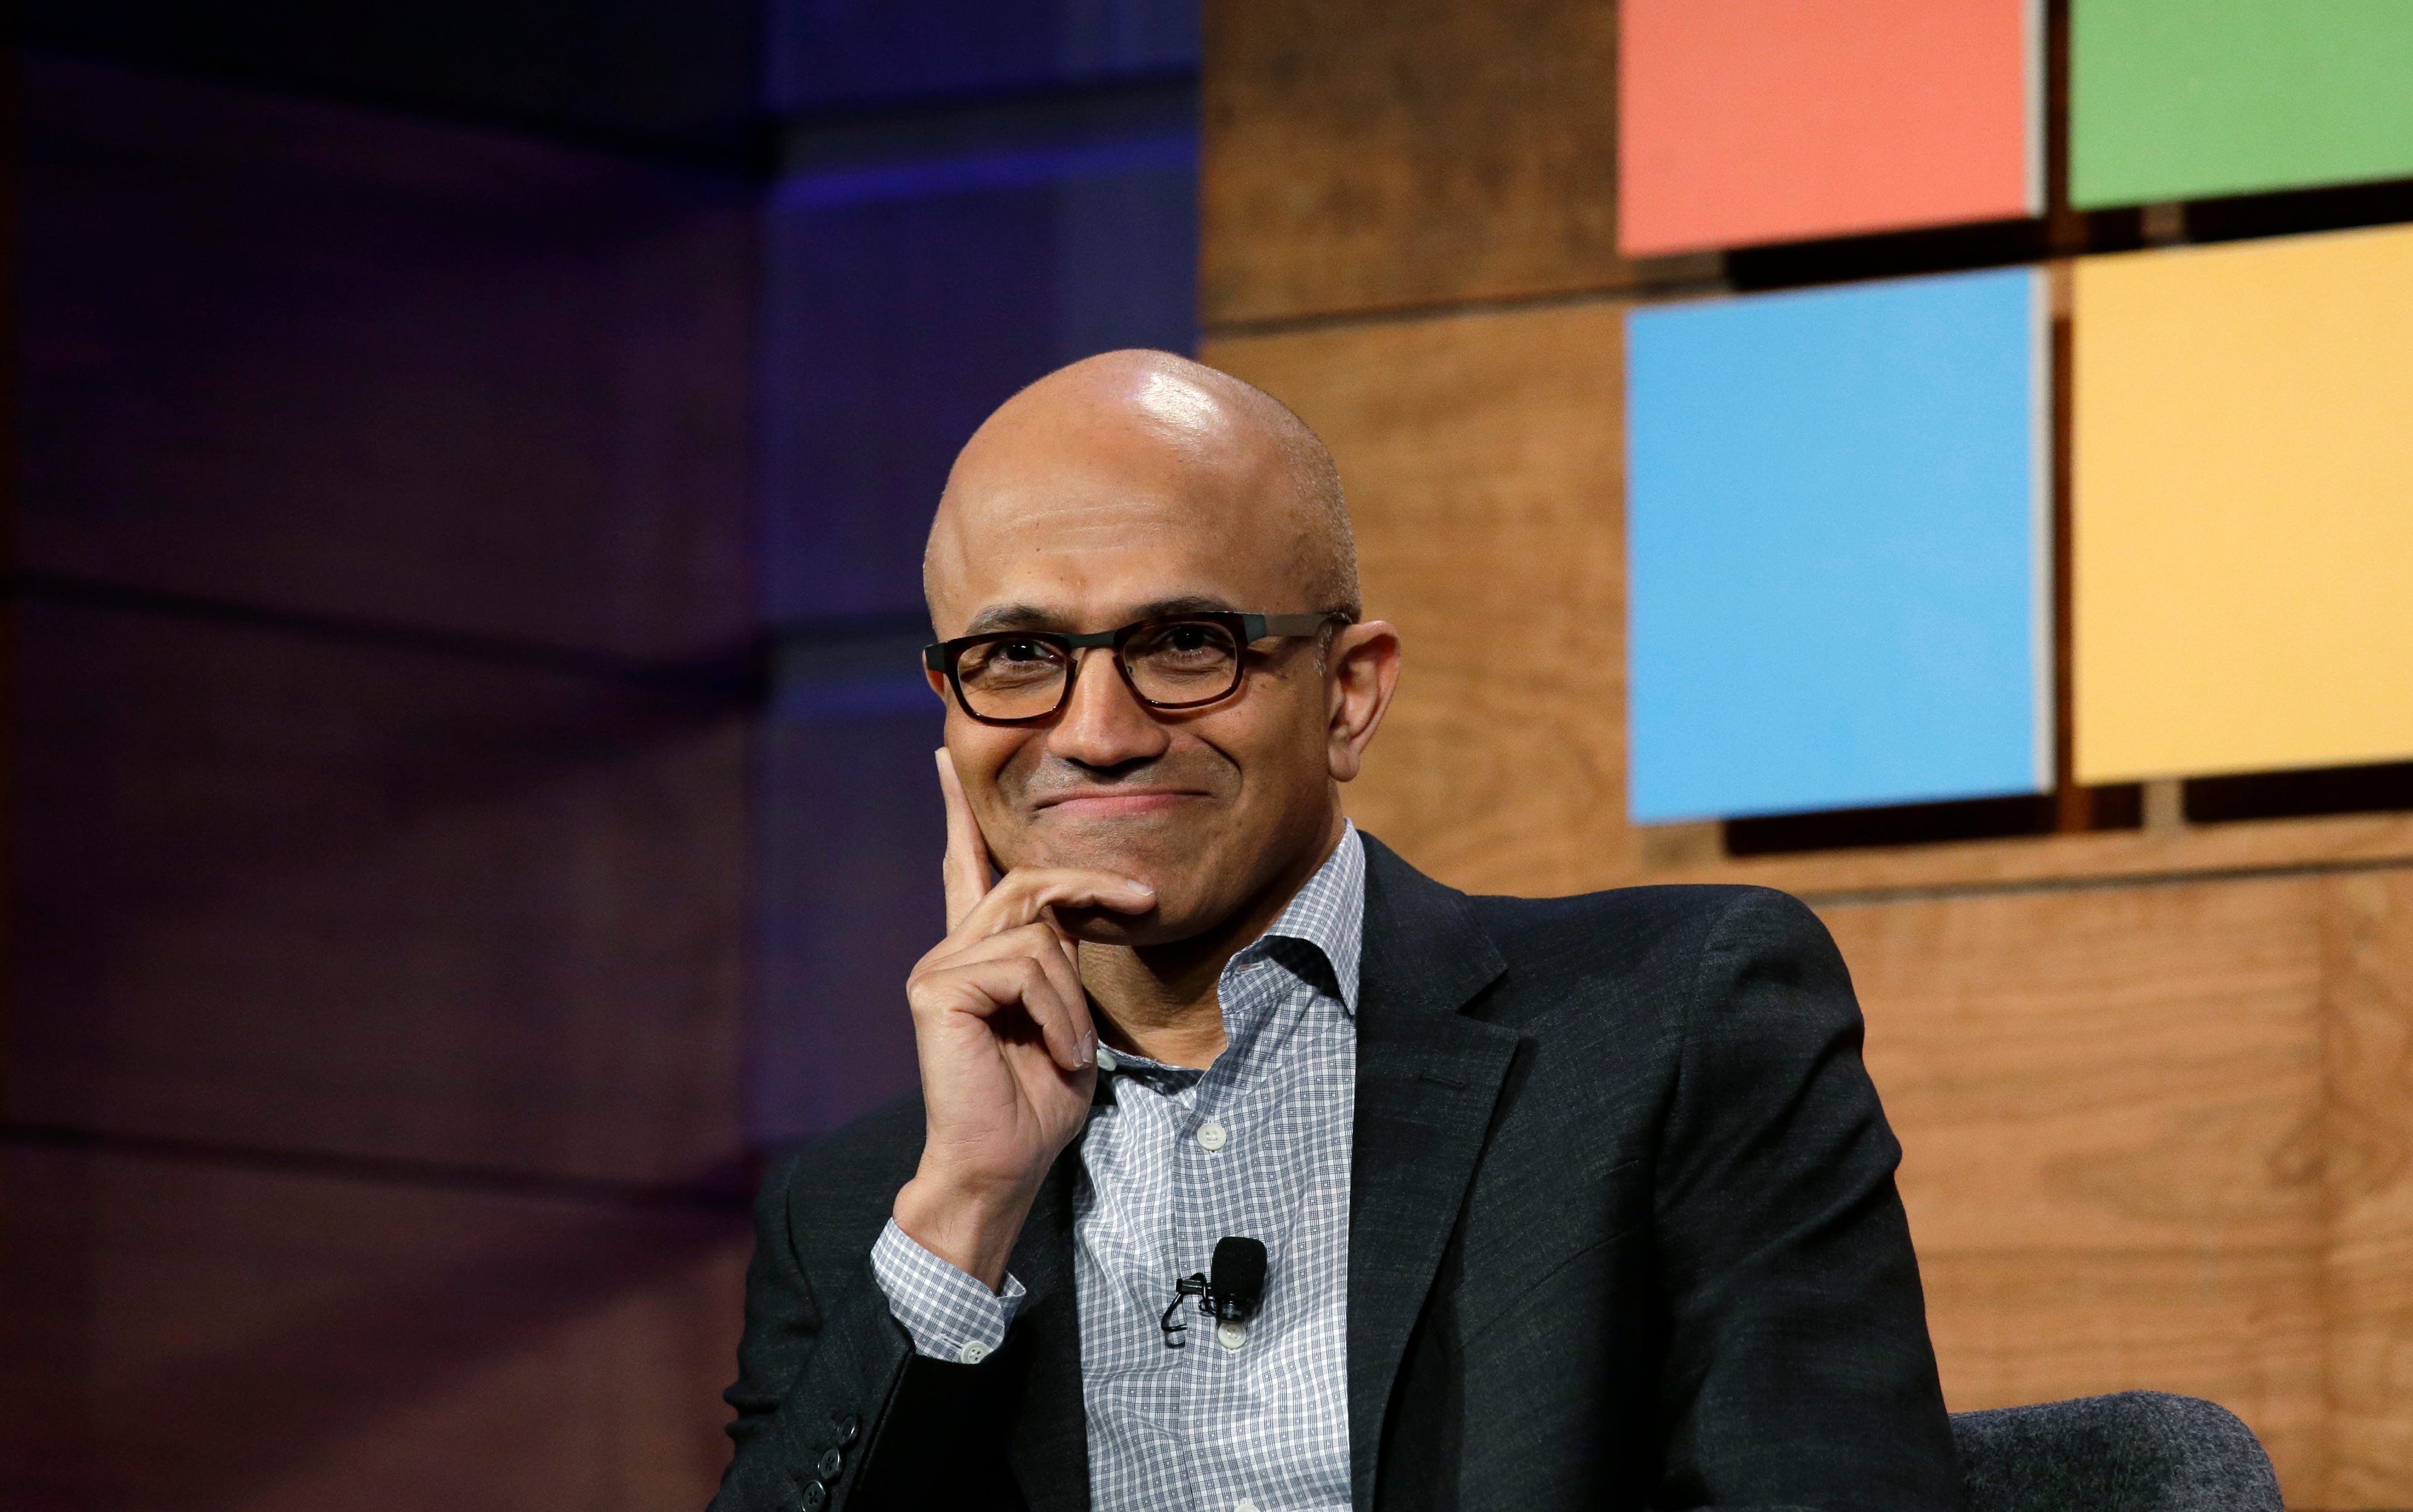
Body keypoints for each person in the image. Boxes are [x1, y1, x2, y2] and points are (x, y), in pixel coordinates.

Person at [711, 350, 1959, 1512]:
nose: (1096, 732)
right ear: (950, 704)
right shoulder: (866, 1216)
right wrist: (970, 1211)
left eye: (1185, 644)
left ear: (1348, 693)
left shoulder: (1670, 1030)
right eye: (1019, 654)